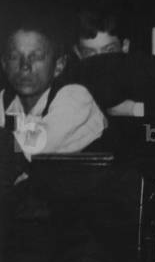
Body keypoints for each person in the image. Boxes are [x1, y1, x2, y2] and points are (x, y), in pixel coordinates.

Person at [67, 4, 155, 119]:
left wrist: (133, 109)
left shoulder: (146, 70)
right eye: (90, 54)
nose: (100, 61)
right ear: (78, 53)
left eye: (109, 51)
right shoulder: (71, 85)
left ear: (125, 46)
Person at [1, 14, 107, 158]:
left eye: (36, 57)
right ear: (4, 64)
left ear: (59, 66)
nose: (24, 66)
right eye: (14, 57)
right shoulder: (4, 101)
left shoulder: (75, 98)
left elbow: (35, 143)